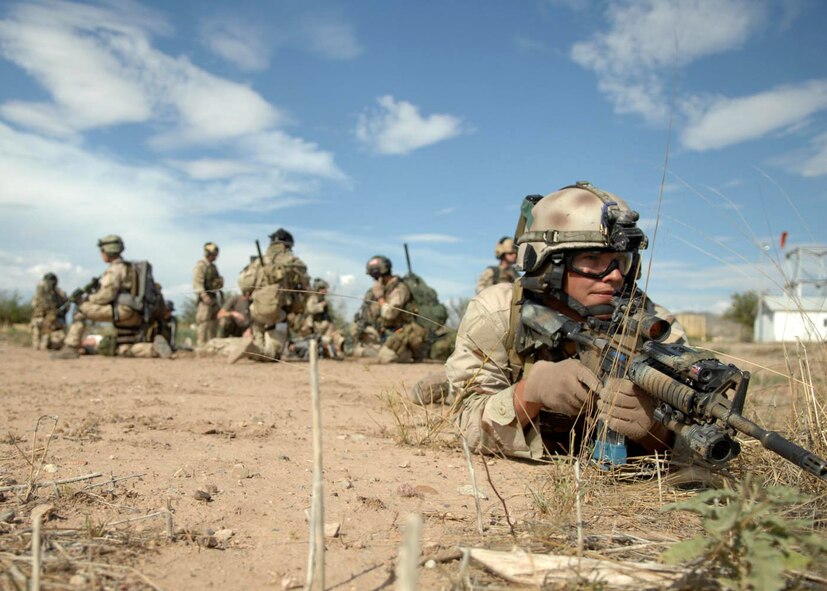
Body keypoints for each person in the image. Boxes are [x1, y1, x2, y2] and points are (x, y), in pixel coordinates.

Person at [445, 182, 686, 461]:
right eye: (593, 258)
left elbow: (700, 447)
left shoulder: (655, 326)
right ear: (550, 263)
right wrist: (529, 393)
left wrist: (656, 430)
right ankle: (441, 383)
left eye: (622, 260)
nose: (615, 275)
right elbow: (465, 426)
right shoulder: (498, 312)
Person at [60, 235, 172, 359]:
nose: (101, 254)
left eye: (102, 251)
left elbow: (106, 296)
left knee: (81, 311)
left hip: (123, 312)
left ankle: (70, 347)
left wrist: (86, 299)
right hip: (137, 313)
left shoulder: (115, 269)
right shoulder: (130, 268)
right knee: (123, 349)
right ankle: (152, 349)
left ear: (108, 251)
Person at [229, 228, 310, 363]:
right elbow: (305, 283)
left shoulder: (257, 262)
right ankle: (252, 350)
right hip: (277, 314)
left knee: (261, 349)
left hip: (256, 311)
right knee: (273, 355)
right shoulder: (293, 262)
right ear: (288, 245)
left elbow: (244, 285)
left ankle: (253, 348)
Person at [363, 255, 427, 364]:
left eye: (374, 276)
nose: (374, 280)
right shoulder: (384, 288)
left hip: (403, 332)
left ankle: (412, 353)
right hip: (385, 331)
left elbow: (389, 314)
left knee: (385, 358)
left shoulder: (399, 288)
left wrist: (380, 297)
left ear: (380, 275)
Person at [295, 278, 344, 359]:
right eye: (323, 289)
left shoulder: (322, 299)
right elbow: (310, 309)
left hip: (322, 324)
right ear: (318, 289)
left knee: (333, 335)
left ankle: (334, 352)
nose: (325, 291)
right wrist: (321, 305)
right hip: (313, 326)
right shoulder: (313, 298)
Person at [193, 242, 223, 347]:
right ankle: (201, 345)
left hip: (214, 298)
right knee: (203, 322)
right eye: (214, 254)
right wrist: (204, 296)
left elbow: (216, 282)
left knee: (215, 322)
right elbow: (197, 283)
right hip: (204, 300)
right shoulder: (201, 265)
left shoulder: (213, 267)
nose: (215, 257)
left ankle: (212, 345)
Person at [30, 272, 68, 350]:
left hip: (43, 318)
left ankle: (40, 347)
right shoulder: (58, 292)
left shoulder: (41, 291)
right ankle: (43, 346)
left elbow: (34, 304)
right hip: (49, 319)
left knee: (39, 341)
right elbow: (66, 306)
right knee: (45, 338)